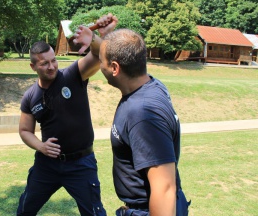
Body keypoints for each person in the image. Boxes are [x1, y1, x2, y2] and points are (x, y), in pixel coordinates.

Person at [16, 13, 118, 216]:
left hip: (81, 163)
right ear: (33, 66)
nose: (52, 66)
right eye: (44, 63)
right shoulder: (30, 97)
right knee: (25, 210)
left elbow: (98, 55)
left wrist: (100, 36)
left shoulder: (73, 75)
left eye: (53, 60)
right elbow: (24, 130)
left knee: (95, 214)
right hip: (47, 166)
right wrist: (41, 146)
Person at [88, 28, 190, 216]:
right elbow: (116, 50)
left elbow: (165, 189)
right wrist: (94, 36)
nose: (100, 66)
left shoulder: (142, 113)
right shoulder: (153, 85)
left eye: (101, 61)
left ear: (115, 68)